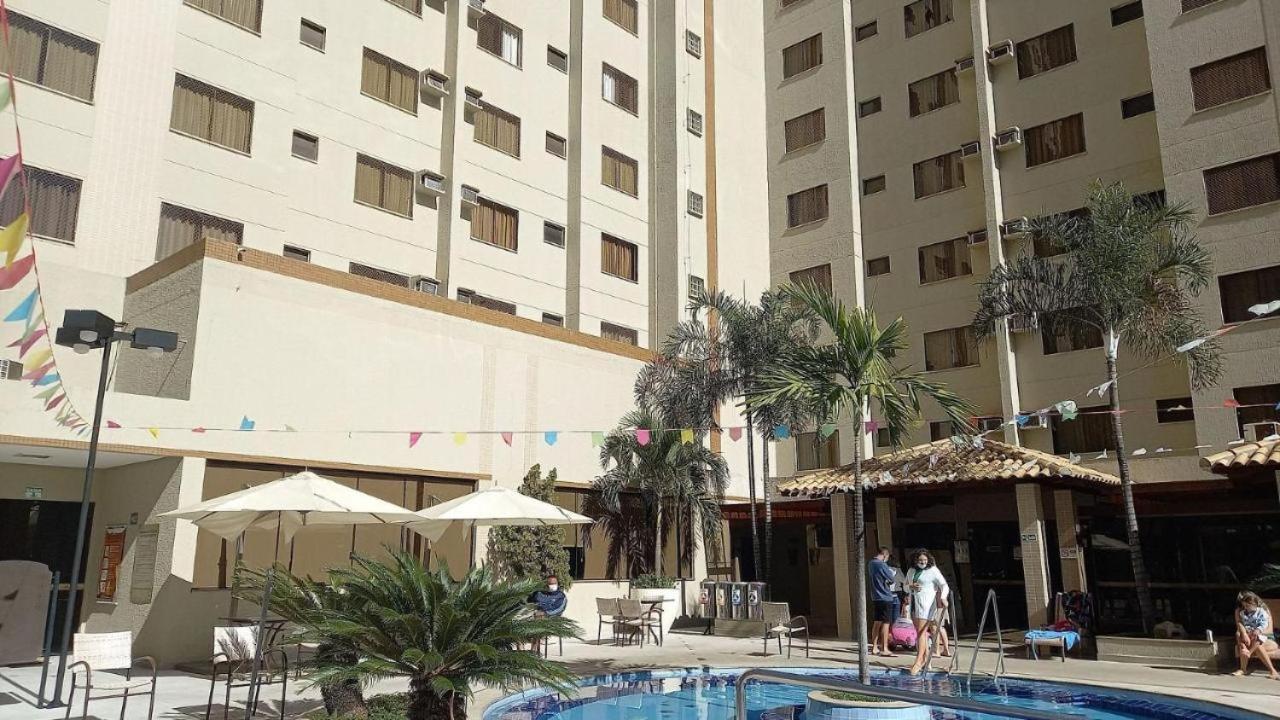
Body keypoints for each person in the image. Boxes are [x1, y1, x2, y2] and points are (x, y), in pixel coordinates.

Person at [906, 550, 949, 675]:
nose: (923, 562)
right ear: (916, 560)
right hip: (914, 603)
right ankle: (926, 660)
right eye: (920, 560)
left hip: (927, 604)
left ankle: (919, 660)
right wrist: (911, 587)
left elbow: (944, 585)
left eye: (925, 560)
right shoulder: (911, 571)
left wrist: (943, 597)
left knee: (921, 632)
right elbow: (905, 586)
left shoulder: (933, 570)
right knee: (920, 632)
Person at [1233, 590, 1280, 679]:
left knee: (1258, 645)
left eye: (1246, 604)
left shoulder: (1263, 611)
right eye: (1242, 604)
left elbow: (1268, 629)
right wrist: (1245, 634)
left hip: (1266, 637)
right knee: (1239, 634)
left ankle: (1273, 671)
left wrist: (1256, 632)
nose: (1244, 607)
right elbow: (1240, 625)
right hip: (1250, 636)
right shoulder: (1241, 611)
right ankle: (1243, 668)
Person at [868, 547, 898, 657]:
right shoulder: (882, 564)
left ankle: (874, 647)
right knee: (886, 623)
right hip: (885, 596)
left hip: (876, 597)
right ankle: (884, 647)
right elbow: (891, 578)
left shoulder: (871, 564)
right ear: (885, 555)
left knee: (877, 622)